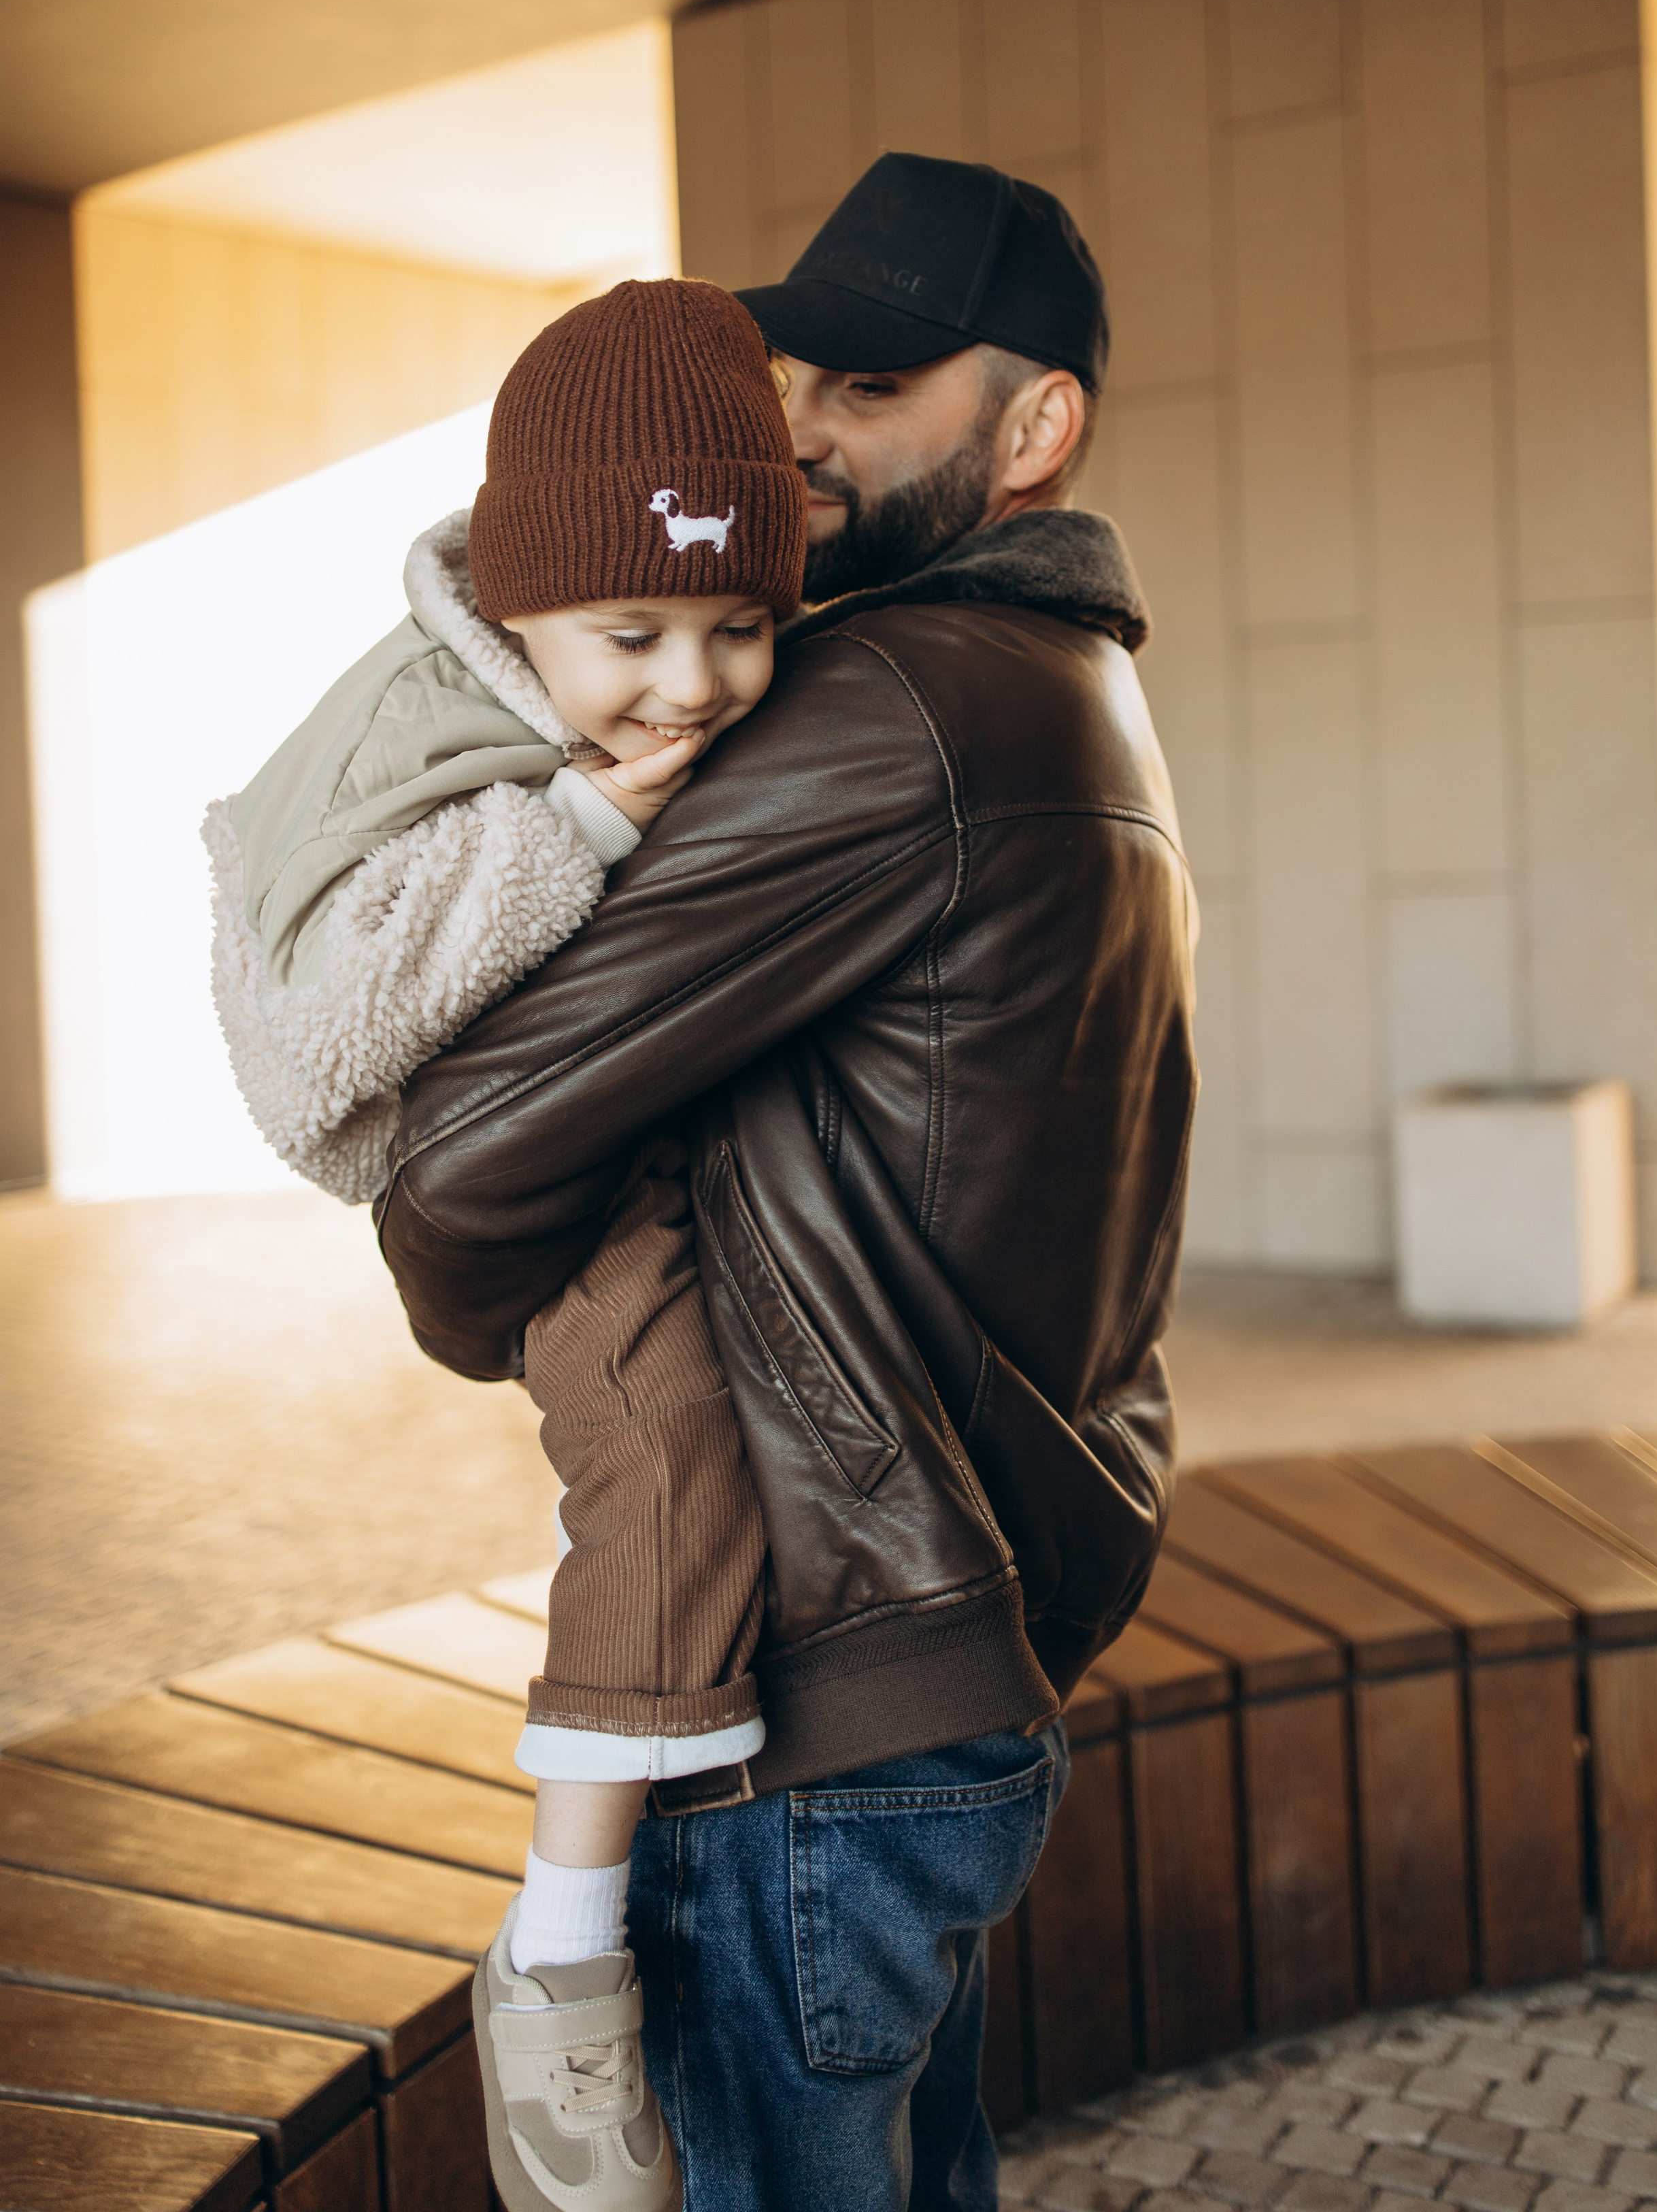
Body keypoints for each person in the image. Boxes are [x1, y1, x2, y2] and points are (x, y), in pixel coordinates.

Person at [377, 153, 1199, 2212]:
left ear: (1032, 429)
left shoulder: (887, 702)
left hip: (813, 1684)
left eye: (877, 390)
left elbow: (459, 1166)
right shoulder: (1082, 689)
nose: (801, 434)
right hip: (948, 1650)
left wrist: (514, 1318)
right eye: (794, 376)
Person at [205, 276, 814, 2212]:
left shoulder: (589, 690)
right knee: (667, 1446)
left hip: (605, 1127)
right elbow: (324, 1037)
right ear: (518, 610)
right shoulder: (446, 745)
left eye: (740, 628)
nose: (688, 685)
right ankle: (560, 1958)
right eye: (630, 631)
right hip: (519, 1168)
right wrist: (569, 836)